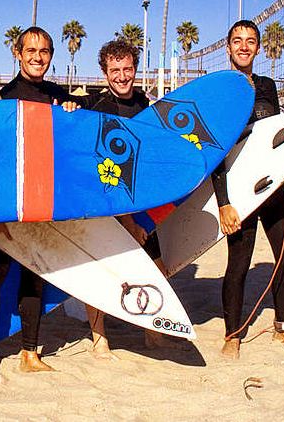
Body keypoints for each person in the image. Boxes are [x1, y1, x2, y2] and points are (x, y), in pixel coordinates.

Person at [0, 26, 80, 381]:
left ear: (51, 56)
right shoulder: (2, 99)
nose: (37, 57)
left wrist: (72, 110)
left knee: (35, 276)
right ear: (17, 53)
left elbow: (76, 137)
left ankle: (29, 353)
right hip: (5, 204)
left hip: (41, 201)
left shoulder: (58, 96)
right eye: (30, 50)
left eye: (44, 51)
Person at [212, 20, 284, 360]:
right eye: (237, 41)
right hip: (240, 190)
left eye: (250, 41)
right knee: (239, 262)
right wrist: (224, 203)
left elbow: (278, 137)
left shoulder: (267, 85)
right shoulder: (219, 90)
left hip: (273, 184)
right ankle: (233, 335)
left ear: (258, 48)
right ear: (228, 48)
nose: (244, 46)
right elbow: (215, 151)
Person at [83, 39, 169, 356]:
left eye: (127, 69)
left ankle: (152, 333)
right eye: (115, 70)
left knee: (156, 269)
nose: (122, 76)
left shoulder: (147, 107)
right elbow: (102, 170)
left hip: (141, 203)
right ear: (105, 73)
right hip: (108, 204)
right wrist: (129, 220)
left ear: (135, 69)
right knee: (102, 271)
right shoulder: (98, 109)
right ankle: (99, 338)